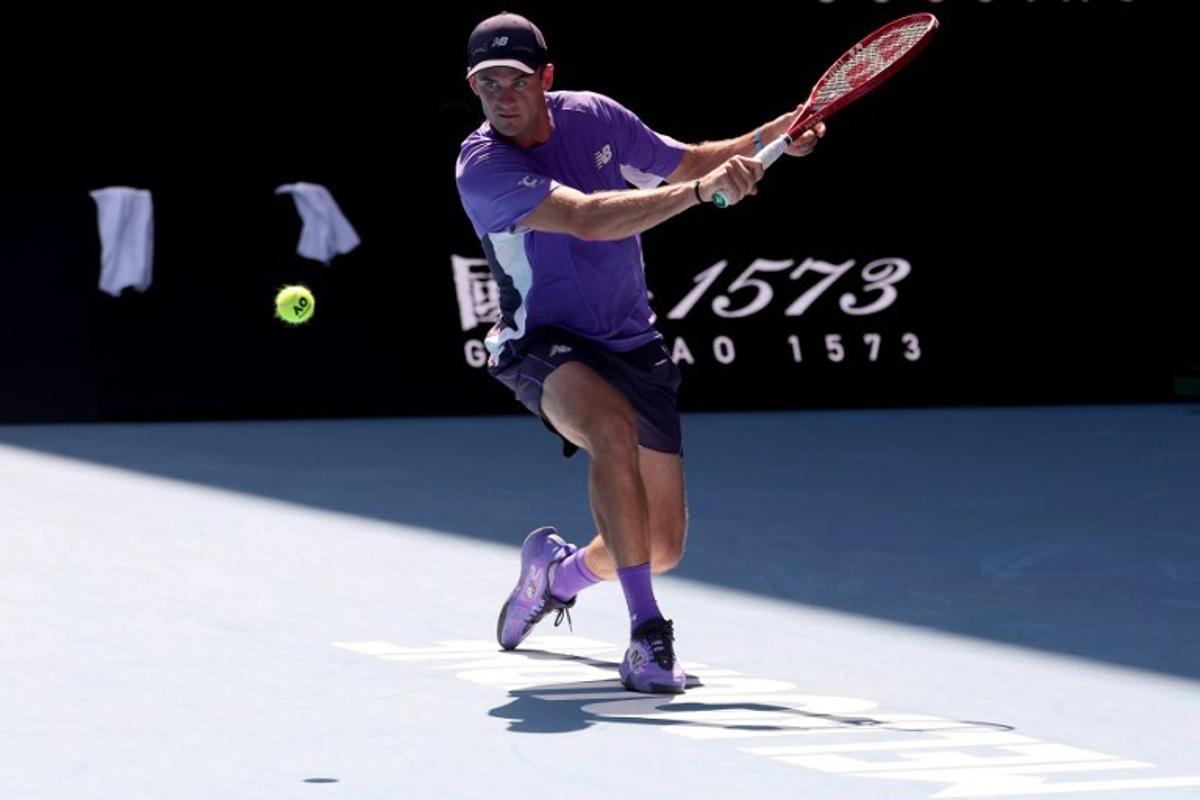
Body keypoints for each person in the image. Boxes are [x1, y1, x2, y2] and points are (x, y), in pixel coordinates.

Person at [454, 11, 824, 694]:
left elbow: (689, 162)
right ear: (472, 86)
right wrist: (701, 194)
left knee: (661, 547)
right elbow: (587, 219)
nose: (503, 96)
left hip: (630, 338)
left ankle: (555, 576)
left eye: (518, 80)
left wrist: (777, 135)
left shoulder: (596, 117)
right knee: (610, 428)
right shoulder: (482, 167)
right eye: (489, 83)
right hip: (542, 339)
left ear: (547, 78)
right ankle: (648, 636)